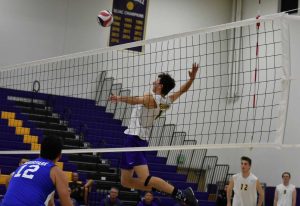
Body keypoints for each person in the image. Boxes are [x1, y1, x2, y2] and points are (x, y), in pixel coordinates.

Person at [109, 63, 199, 206]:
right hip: (136, 138)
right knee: (125, 181)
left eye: (156, 81)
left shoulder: (151, 99)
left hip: (135, 139)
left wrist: (119, 98)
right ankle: (163, 188)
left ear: (160, 86)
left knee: (145, 178)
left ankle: (182, 195)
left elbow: (135, 100)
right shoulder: (165, 102)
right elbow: (182, 91)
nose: (153, 81)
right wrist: (191, 79)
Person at [1, 136, 73, 206]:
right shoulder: (56, 171)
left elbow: (8, 180)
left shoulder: (24, 165)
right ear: (60, 155)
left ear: (40, 151)